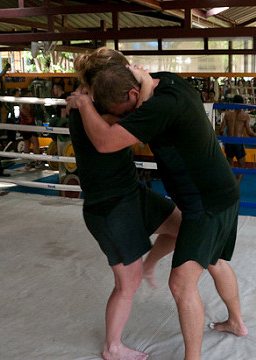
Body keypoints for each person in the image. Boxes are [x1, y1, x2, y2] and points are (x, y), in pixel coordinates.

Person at [66, 48, 248, 360]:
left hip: (201, 203)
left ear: (134, 90)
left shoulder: (149, 107)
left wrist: (84, 102)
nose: (125, 117)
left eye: (125, 109)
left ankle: (199, 353)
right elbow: (121, 116)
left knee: (181, 284)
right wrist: (90, 102)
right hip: (200, 195)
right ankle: (235, 323)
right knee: (208, 261)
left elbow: (108, 138)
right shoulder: (166, 83)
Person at [70, 50, 182, 360]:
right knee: (127, 283)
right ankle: (112, 347)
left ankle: (149, 264)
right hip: (108, 207)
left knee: (183, 225)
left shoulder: (92, 102)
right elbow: (143, 114)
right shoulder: (93, 111)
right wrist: (144, 82)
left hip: (132, 193)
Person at [218, 95, 256, 183]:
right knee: (241, 165)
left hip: (228, 142)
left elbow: (221, 130)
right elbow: (249, 132)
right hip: (238, 142)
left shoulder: (227, 114)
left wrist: (223, 139)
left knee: (229, 165)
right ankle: (236, 185)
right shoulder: (245, 115)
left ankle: (229, 184)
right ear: (242, 104)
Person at [18, 89, 40, 169]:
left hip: (24, 127)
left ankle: (27, 164)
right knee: (35, 144)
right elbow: (28, 117)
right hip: (29, 126)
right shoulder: (25, 104)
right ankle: (37, 162)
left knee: (27, 145)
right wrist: (30, 117)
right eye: (30, 95)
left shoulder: (22, 104)